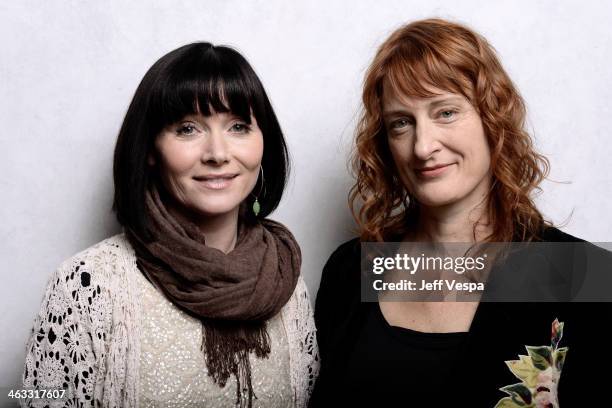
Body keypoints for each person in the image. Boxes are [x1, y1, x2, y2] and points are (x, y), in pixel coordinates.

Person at [311, 19, 610, 407]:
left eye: (445, 112)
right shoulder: (351, 271)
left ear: (492, 118)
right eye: (401, 123)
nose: (423, 146)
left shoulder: (581, 275)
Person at [21, 42, 318, 408]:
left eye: (239, 126)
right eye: (188, 129)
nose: (218, 153)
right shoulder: (88, 286)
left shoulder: (286, 279)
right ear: (150, 149)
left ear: (263, 143)